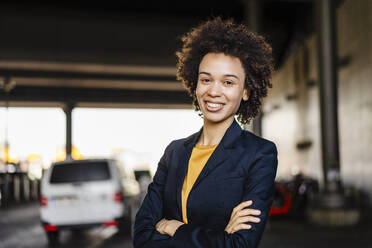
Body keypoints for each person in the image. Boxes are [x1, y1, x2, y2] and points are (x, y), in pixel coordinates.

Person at [133, 17, 278, 248]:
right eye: (206, 79)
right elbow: (142, 235)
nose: (214, 91)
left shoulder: (259, 154)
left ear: (246, 91)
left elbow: (240, 245)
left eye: (228, 82)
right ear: (195, 83)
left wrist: (174, 227)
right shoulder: (174, 151)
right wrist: (219, 238)